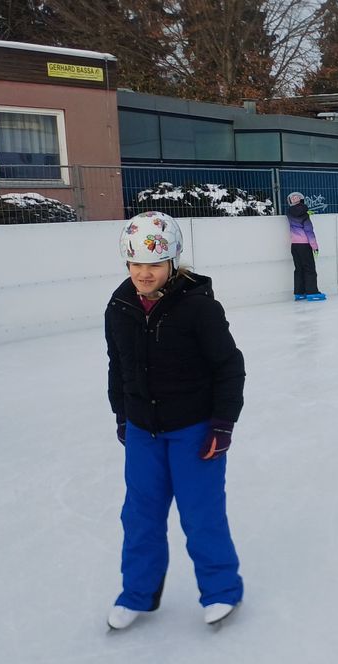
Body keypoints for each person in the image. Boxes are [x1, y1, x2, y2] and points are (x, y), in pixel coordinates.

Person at [104, 211, 245, 630]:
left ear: (172, 261)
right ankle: (137, 594)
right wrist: (122, 416)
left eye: (153, 263)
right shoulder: (119, 306)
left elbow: (229, 367)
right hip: (144, 432)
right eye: (136, 264)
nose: (144, 273)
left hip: (194, 431)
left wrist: (222, 423)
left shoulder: (199, 308)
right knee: (139, 515)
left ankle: (221, 590)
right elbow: (118, 365)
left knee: (201, 514)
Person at [286, 192, 326, 301]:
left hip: (294, 245)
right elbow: (309, 231)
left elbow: (296, 212)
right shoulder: (305, 215)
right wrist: (315, 246)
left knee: (299, 269)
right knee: (309, 268)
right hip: (305, 245)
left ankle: (299, 292)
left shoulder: (289, 212)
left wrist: (306, 212)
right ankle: (312, 292)